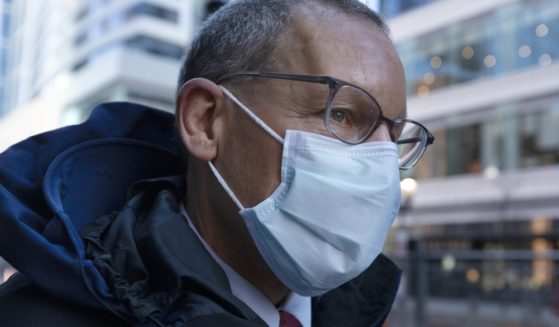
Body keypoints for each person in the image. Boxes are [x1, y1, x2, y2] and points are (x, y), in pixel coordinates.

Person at [0, 0, 434, 326]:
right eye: (340, 114)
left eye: (393, 135)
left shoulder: (363, 312)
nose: (380, 163)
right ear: (205, 121)